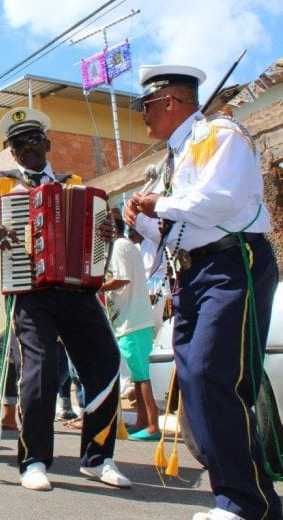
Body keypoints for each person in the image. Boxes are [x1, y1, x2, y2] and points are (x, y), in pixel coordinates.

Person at [125, 65, 280, 520]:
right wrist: (141, 223)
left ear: (170, 102)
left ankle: (244, 503)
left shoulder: (220, 134)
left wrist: (160, 203)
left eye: (147, 107)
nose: (143, 118)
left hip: (234, 265)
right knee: (195, 385)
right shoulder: (175, 156)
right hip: (194, 274)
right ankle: (238, 497)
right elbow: (179, 235)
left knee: (216, 378)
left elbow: (225, 200)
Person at [0, 107, 130, 491]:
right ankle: (34, 459)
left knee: (105, 361)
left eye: (34, 140)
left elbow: (98, 235)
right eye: (19, 144)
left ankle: (99, 457)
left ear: (48, 144)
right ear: (13, 152)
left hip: (78, 289)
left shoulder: (75, 184)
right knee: (40, 370)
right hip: (30, 292)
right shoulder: (1, 184)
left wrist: (105, 229)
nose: (28, 148)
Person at [100, 214, 159, 441]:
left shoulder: (120, 246)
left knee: (143, 377)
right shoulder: (120, 246)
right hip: (127, 321)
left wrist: (95, 287)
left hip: (133, 321)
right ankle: (143, 421)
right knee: (137, 376)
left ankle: (153, 424)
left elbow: (122, 279)